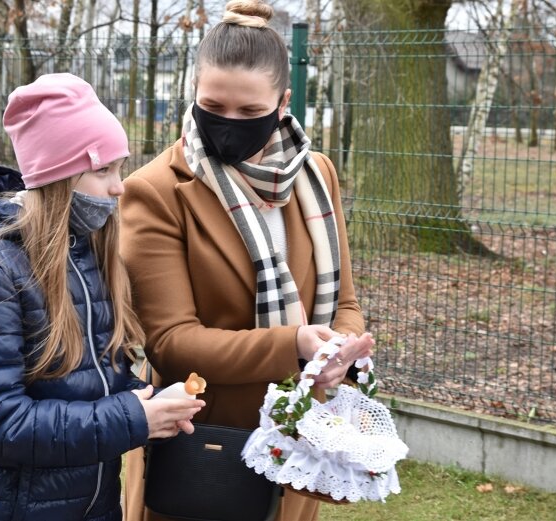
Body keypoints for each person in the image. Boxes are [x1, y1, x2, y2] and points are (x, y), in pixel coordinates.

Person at [119, 2, 375, 520]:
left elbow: (342, 301)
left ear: (282, 103)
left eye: (249, 112)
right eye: (213, 106)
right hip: (204, 451)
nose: (228, 125)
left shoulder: (315, 176)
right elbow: (170, 342)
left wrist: (338, 353)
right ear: (192, 94)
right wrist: (295, 347)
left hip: (297, 445)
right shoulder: (156, 191)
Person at [0, 73, 205, 521]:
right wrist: (131, 419)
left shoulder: (86, 256)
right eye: (103, 170)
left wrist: (150, 400)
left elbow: (93, 380)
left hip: (89, 505)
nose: (119, 186)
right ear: (58, 177)